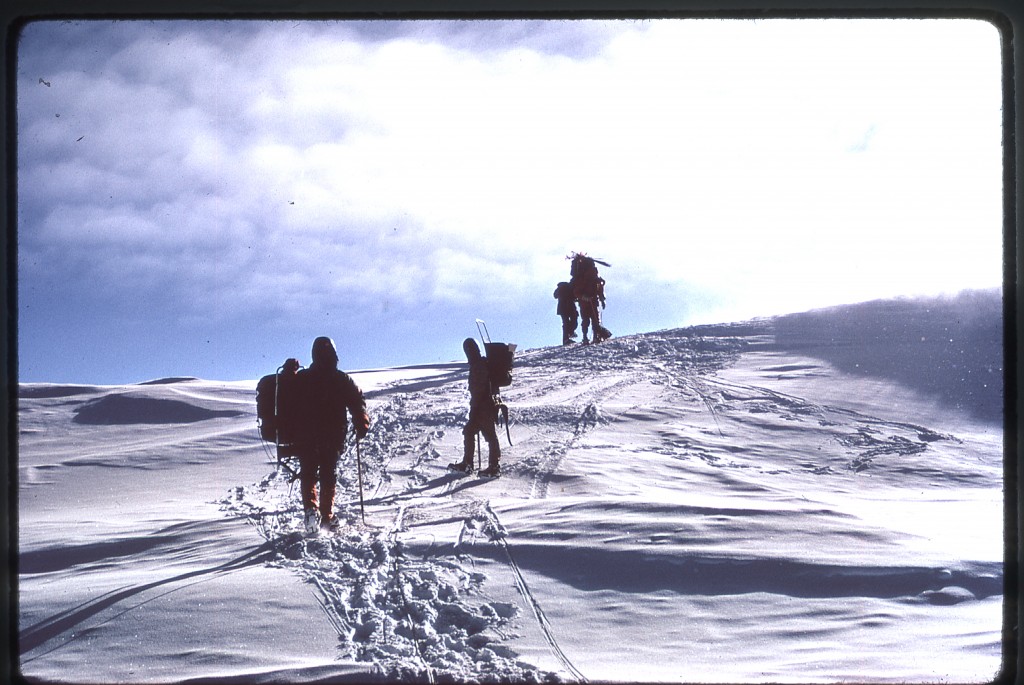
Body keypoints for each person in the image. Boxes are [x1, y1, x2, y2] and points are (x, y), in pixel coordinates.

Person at [294, 336, 370, 533]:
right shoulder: (340, 378)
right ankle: (326, 516)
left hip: (306, 435)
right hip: (333, 435)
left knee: (308, 473)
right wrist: (361, 421)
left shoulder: (302, 378)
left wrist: (289, 371)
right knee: (329, 474)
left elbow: (286, 395)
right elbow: (357, 400)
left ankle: (311, 511)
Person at [448, 338, 501, 477]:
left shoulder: (478, 366)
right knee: (471, 431)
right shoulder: (483, 363)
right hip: (486, 406)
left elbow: (478, 390)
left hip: (482, 407)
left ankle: (491, 467)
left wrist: (475, 409)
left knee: (488, 435)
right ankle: (470, 464)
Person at [570, 253, 611, 344]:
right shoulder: (594, 278)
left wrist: (583, 297)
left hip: (585, 302)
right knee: (595, 319)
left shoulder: (582, 278)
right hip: (592, 300)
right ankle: (595, 336)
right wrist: (602, 299)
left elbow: (577, 291)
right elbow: (599, 289)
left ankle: (586, 337)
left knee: (586, 319)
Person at [553, 281, 579, 346]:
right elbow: (575, 296)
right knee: (573, 321)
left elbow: (555, 296)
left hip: (562, 308)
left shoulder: (559, 289)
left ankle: (566, 338)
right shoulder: (570, 288)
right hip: (570, 307)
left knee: (566, 323)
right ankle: (570, 333)